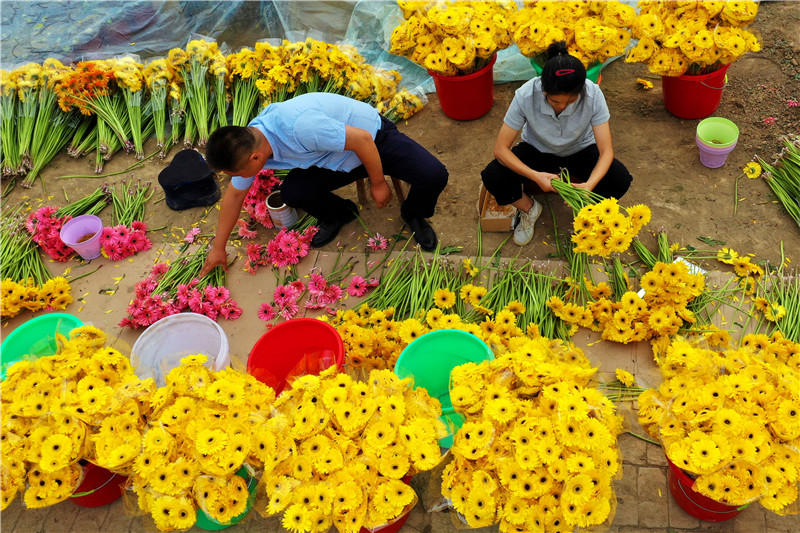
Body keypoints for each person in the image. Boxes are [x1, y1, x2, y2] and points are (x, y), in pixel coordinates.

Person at [199, 92, 448, 276]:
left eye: (237, 173)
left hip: (373, 140)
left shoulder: (300, 127)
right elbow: (233, 197)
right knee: (294, 192)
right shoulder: (248, 146)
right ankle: (339, 214)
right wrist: (218, 248)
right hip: (331, 157)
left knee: (433, 174)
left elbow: (361, 140)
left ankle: (414, 213)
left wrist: (378, 183)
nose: (237, 177)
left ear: (255, 159)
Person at [481, 41, 633, 246]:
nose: (562, 106)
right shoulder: (526, 94)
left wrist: (589, 187)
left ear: (581, 91)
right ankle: (529, 209)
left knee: (620, 178)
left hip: (580, 150)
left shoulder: (593, 94)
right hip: (537, 150)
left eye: (570, 102)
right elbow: (500, 149)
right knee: (493, 175)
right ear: (543, 89)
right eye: (555, 101)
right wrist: (536, 176)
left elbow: (606, 151)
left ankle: (588, 210)